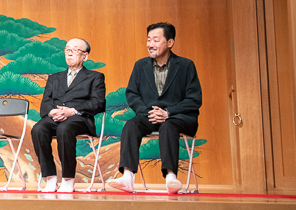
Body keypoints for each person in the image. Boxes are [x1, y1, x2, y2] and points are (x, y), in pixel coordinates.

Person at [108, 22, 202, 194]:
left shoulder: (186, 65)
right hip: (149, 114)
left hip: (179, 117)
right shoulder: (140, 65)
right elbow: (132, 94)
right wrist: (148, 112)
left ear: (170, 42)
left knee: (168, 126)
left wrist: (168, 113)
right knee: (131, 125)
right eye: (148, 40)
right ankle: (128, 177)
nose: (150, 44)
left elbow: (194, 99)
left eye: (156, 40)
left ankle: (171, 178)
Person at [31, 38, 106, 193]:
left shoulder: (95, 77)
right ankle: (50, 177)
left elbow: (98, 103)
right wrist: (52, 111)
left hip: (80, 118)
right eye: (67, 50)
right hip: (55, 117)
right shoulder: (54, 78)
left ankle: (67, 179)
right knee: (38, 129)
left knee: (65, 128)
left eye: (75, 50)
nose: (69, 53)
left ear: (85, 56)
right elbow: (45, 103)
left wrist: (72, 111)